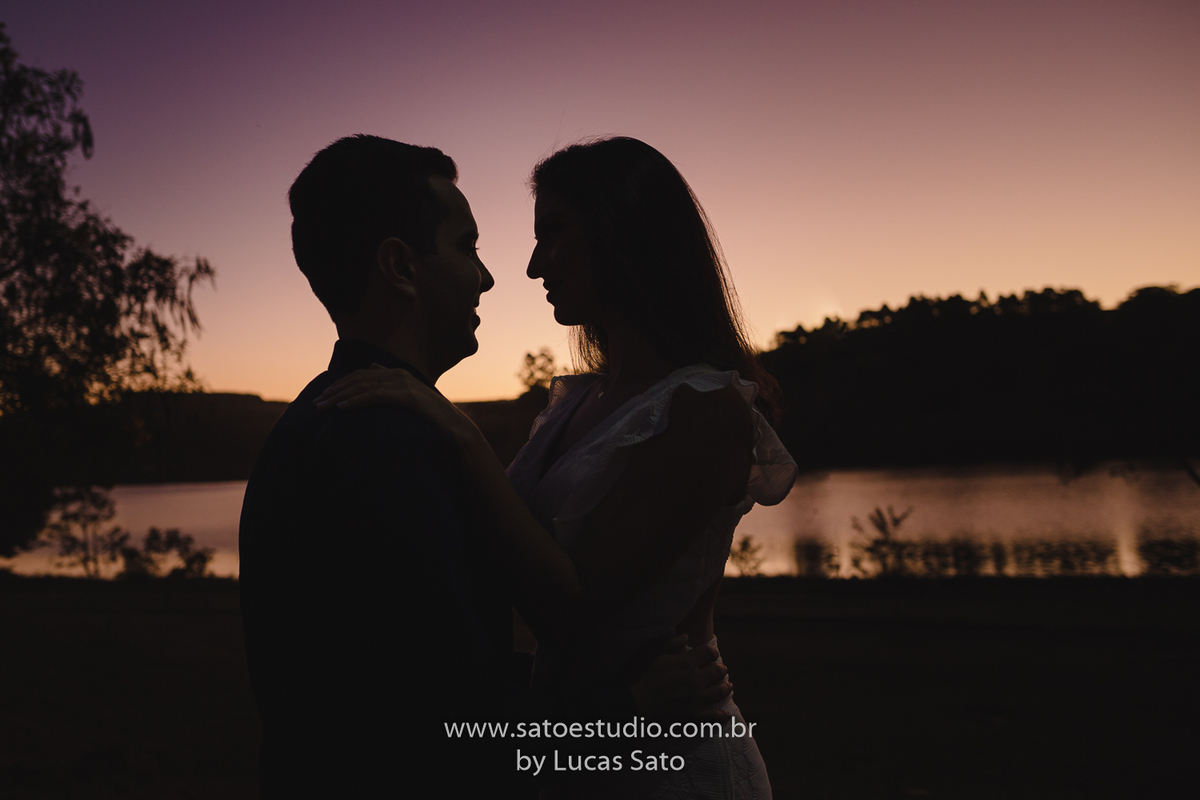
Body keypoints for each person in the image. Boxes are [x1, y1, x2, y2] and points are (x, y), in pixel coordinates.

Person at [239, 135, 730, 799]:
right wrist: (623, 702)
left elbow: (400, 668)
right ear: (401, 267)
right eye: (467, 246)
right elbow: (429, 725)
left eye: (552, 233)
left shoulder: (324, 421)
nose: (495, 275)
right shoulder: (386, 443)